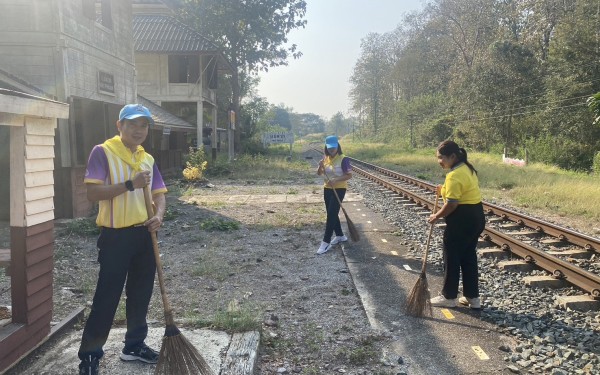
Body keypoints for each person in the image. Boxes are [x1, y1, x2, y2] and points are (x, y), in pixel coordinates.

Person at [78, 104, 167, 375]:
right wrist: (130, 184)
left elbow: (159, 194)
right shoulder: (103, 152)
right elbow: (92, 194)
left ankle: (134, 345)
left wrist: (159, 216)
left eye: (144, 125)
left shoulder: (147, 158)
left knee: (141, 294)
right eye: (132, 124)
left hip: (145, 234)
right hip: (116, 236)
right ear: (120, 126)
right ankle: (90, 355)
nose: (139, 130)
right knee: (107, 296)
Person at [427, 140, 485, 309]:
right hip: (476, 217)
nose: (439, 161)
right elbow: (460, 190)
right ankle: (473, 298)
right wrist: (443, 189)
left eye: (441, 158)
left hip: (461, 220)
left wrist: (436, 216)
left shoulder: (454, 175)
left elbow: (452, 204)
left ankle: (449, 296)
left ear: (452, 156)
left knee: (451, 257)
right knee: (468, 257)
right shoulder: (467, 168)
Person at [315, 135, 352, 255]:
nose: (332, 150)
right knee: (332, 213)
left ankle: (325, 242)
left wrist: (336, 180)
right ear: (326, 147)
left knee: (331, 214)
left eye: (334, 147)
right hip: (327, 189)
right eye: (329, 148)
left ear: (338, 146)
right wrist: (320, 166)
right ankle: (340, 235)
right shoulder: (325, 158)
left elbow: (348, 175)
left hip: (339, 189)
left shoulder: (344, 159)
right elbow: (319, 173)